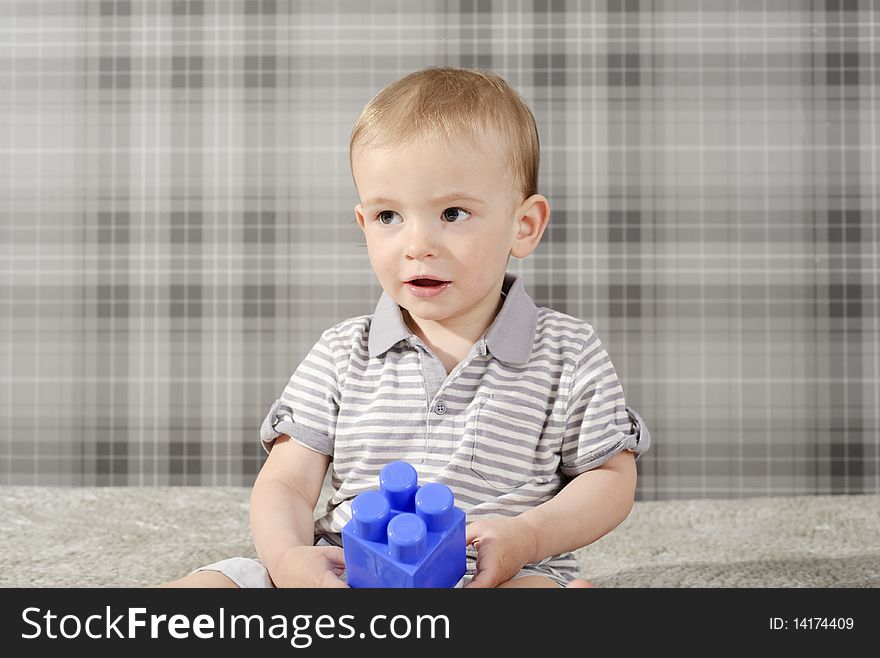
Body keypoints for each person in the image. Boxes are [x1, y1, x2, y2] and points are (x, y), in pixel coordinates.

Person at [158, 65, 651, 588]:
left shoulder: (567, 353)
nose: (417, 244)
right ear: (364, 223)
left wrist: (528, 536)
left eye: (454, 213)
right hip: (348, 570)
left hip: (496, 573)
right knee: (213, 587)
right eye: (389, 216)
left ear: (523, 226)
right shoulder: (343, 351)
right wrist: (287, 560)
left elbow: (610, 479)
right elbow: (287, 484)